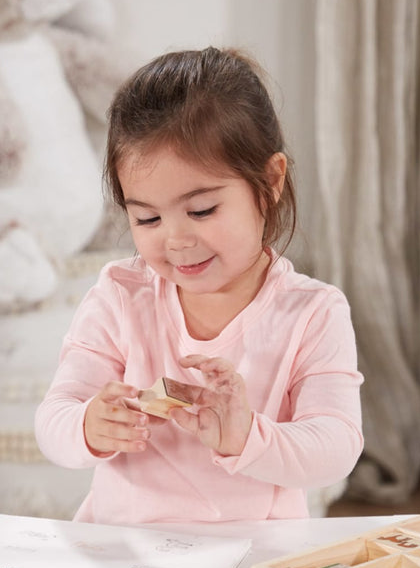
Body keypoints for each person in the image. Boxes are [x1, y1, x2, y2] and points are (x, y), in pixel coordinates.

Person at [35, 46, 363, 525]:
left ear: (270, 181)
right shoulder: (121, 297)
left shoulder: (313, 313)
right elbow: (53, 418)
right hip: (125, 554)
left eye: (202, 210)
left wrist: (246, 435)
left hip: (253, 557)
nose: (176, 240)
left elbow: (336, 445)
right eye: (147, 217)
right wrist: (88, 425)